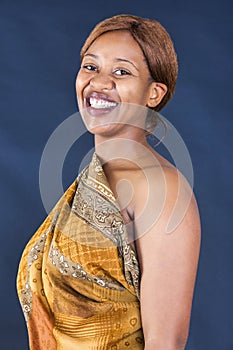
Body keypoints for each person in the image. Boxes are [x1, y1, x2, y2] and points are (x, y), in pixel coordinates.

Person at [17, 14, 201, 350]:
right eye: (90, 67)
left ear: (154, 94)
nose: (99, 83)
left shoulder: (160, 188)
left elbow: (166, 342)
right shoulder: (97, 176)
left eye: (121, 71)